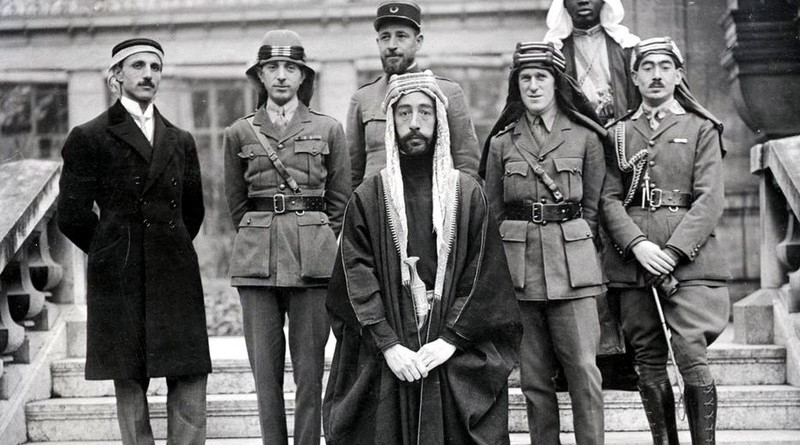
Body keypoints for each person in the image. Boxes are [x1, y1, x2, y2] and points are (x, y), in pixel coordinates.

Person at [323, 71, 521, 445]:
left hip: (451, 352)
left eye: (425, 113)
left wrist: (450, 339)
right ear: (391, 123)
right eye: (404, 113)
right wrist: (389, 345)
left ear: (440, 122)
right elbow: (354, 276)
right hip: (390, 353)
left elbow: (485, 277)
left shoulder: (468, 195)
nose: (414, 123)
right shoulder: (368, 197)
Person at [58, 38, 210, 445]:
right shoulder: (89, 136)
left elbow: (192, 212)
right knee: (130, 380)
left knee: (190, 374)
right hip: (120, 275)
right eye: (138, 66)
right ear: (116, 77)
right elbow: (71, 215)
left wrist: (167, 246)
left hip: (175, 271)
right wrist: (113, 249)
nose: (148, 74)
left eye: (155, 67)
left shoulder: (181, 140)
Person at [222, 30, 350, 445]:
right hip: (256, 264)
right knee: (265, 375)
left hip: (313, 261)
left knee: (311, 375)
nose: (281, 76)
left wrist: (314, 237)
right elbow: (236, 204)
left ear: (302, 76)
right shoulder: (239, 132)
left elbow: (339, 202)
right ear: (260, 75)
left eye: (289, 68)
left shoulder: (328, 129)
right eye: (272, 68)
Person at [601, 37, 729, 445]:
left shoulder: (701, 128)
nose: (656, 74)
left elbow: (710, 199)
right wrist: (637, 245)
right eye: (647, 67)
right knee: (648, 358)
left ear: (678, 74)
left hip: (689, 260)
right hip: (634, 260)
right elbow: (606, 198)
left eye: (665, 66)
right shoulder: (617, 133)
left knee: (691, 353)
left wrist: (672, 252)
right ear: (634, 77)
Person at [482, 42, 607, 445]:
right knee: (534, 380)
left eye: (541, 77)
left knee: (584, 373)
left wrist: (576, 247)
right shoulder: (502, 143)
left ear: (557, 83)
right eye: (525, 78)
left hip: (574, 270)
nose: (533, 86)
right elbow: (494, 212)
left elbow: (593, 209)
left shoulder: (586, 138)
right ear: (516, 86)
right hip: (520, 275)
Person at [347, 0, 480, 189]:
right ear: (377, 42)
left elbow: (468, 166)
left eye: (401, 36)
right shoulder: (363, 98)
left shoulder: (446, 92)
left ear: (418, 42)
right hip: (376, 207)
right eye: (385, 37)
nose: (392, 45)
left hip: (430, 205)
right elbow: (352, 173)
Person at [544, 0, 640, 125]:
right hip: (578, 134)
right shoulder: (556, 51)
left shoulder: (626, 45)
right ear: (564, 4)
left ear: (604, 2)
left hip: (622, 132)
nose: (583, 1)